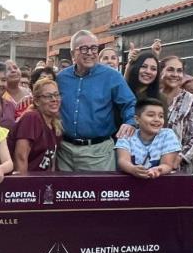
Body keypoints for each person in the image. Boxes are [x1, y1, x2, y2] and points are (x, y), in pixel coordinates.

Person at [57, 30, 136, 172]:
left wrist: (130, 122)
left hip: (98, 153)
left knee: (97, 193)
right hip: (64, 152)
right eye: (83, 48)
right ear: (72, 54)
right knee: (63, 193)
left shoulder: (112, 76)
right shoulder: (61, 78)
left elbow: (130, 103)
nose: (90, 53)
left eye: (94, 48)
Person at [115, 98, 181, 179]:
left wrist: (157, 170)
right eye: (151, 115)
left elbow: (167, 164)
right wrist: (133, 169)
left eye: (161, 116)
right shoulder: (127, 134)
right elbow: (122, 161)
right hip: (129, 184)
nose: (157, 119)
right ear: (137, 119)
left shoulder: (168, 134)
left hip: (160, 183)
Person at [159, 56, 193, 173]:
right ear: (160, 72)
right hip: (150, 165)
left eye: (179, 71)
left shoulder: (191, 100)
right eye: (170, 70)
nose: (175, 74)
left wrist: (180, 158)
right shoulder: (152, 97)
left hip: (179, 167)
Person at [9, 76, 61, 173]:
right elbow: (20, 157)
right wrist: (24, 185)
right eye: (48, 96)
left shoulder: (54, 124)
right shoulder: (32, 118)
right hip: (27, 182)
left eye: (56, 95)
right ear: (37, 101)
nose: (54, 99)